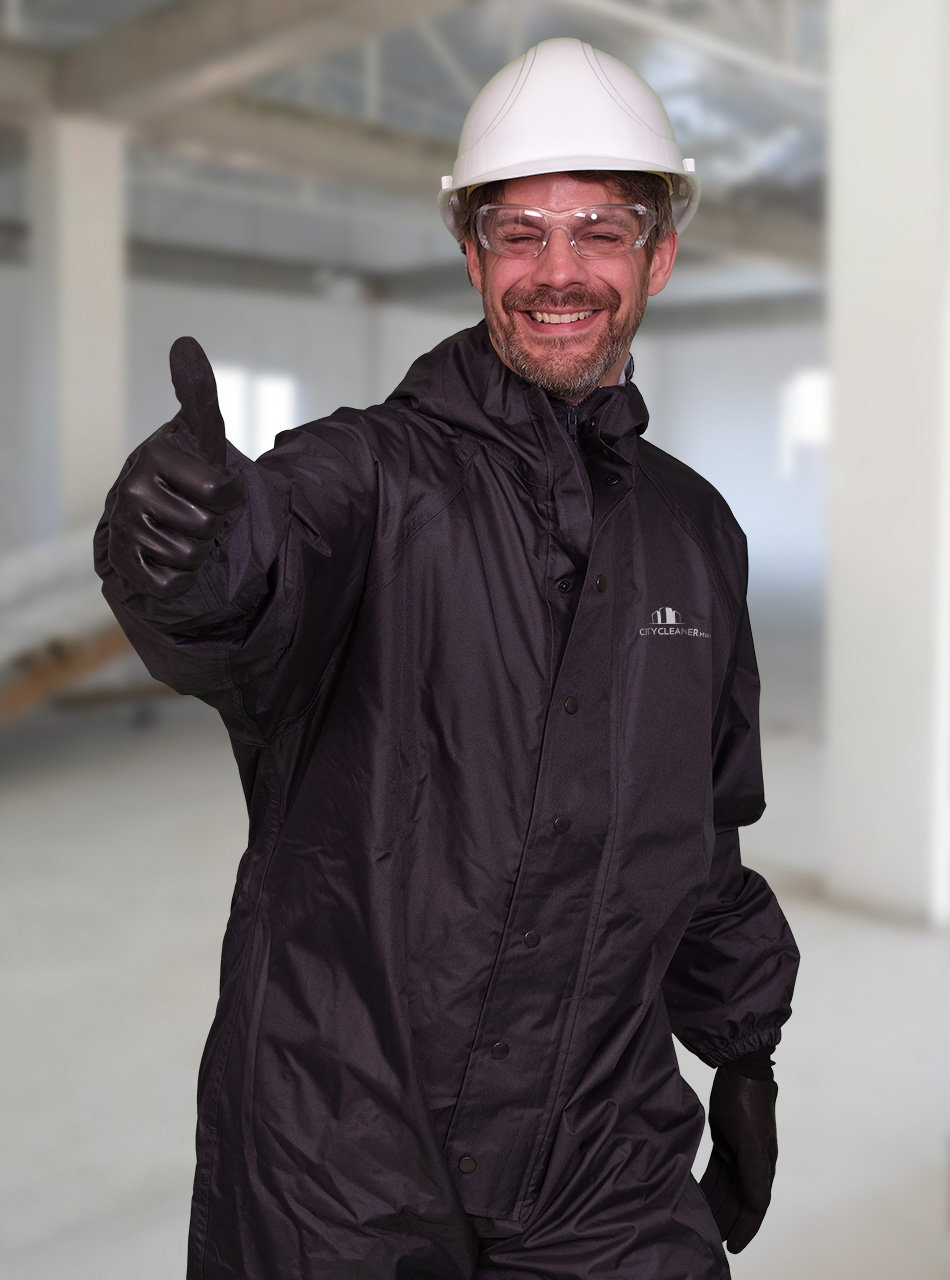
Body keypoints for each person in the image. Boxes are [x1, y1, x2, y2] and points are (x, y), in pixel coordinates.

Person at [95, 36, 799, 1280]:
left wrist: (741, 1044)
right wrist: (181, 545)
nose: (557, 270)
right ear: (470, 256)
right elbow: (248, 573)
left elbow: (700, 833)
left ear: (658, 254)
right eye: (518, 232)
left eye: (598, 228)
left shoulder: (693, 534)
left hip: (598, 1151)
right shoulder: (366, 473)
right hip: (341, 1158)